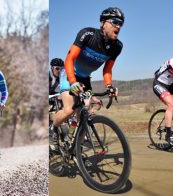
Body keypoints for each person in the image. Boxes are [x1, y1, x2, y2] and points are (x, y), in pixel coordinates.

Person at [52, 7, 123, 137]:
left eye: (121, 23)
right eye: (114, 22)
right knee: (69, 110)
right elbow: (69, 59)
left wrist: (109, 86)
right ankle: (53, 129)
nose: (118, 26)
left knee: (85, 113)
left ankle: (75, 147)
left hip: (85, 79)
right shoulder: (88, 34)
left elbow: (107, 69)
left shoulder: (117, 47)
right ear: (102, 23)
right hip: (69, 74)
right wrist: (73, 82)